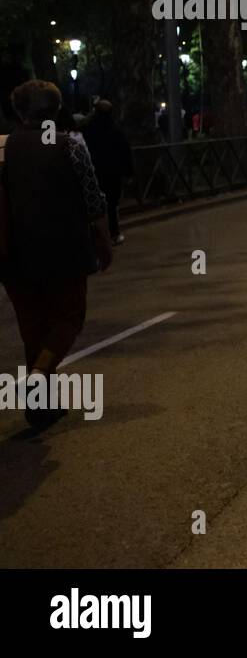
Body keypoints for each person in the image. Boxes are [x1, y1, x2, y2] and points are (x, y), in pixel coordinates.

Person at [0, 80, 113, 429]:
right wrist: (104, 242)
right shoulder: (71, 145)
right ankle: (38, 376)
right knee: (67, 319)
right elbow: (94, 201)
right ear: (56, 108)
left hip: (14, 254)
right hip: (64, 249)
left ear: (19, 111)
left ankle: (41, 406)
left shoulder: (4, 147)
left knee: (33, 328)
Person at [81, 98, 133, 246]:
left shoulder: (87, 130)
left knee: (93, 204)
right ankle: (113, 233)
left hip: (93, 171)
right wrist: (128, 173)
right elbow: (124, 152)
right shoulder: (116, 131)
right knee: (111, 204)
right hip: (112, 173)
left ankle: (96, 235)